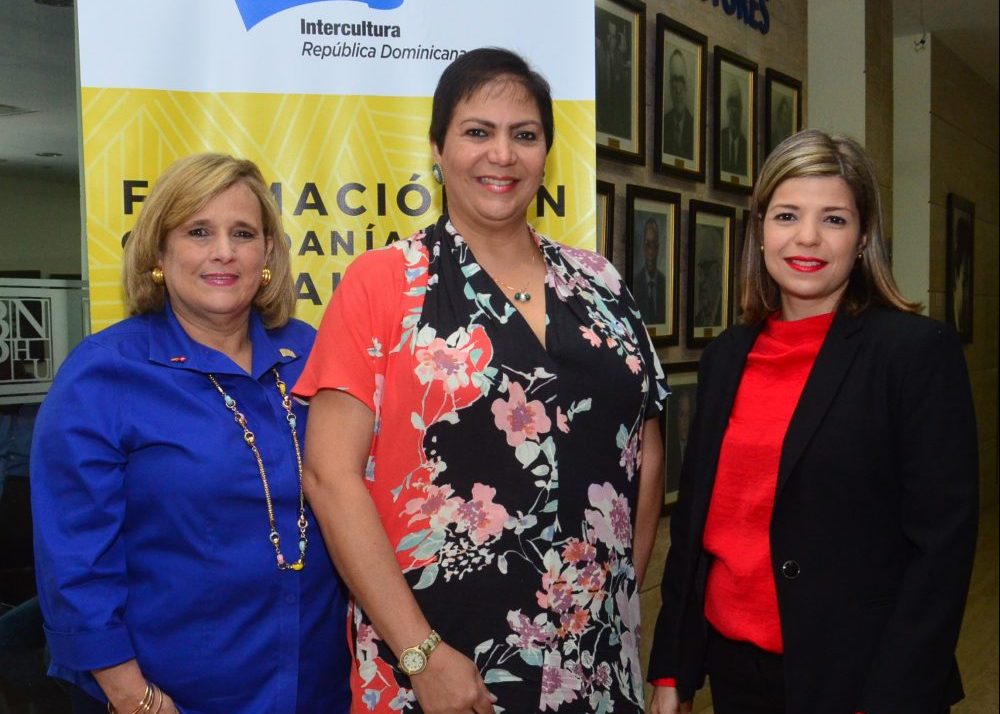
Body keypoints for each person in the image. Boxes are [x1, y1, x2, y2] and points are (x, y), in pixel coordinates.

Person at [296, 48, 668, 713]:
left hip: (595, 663)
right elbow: (329, 476)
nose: (502, 154)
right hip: (442, 672)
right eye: (477, 132)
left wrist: (613, 603)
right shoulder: (383, 283)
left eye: (523, 135)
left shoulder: (603, 284)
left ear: (546, 151)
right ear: (437, 147)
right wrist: (419, 653)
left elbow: (642, 446)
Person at [648, 129, 978, 714]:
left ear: (863, 237)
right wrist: (672, 668)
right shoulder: (727, 356)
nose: (807, 238)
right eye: (787, 215)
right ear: (760, 230)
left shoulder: (913, 353)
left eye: (833, 219)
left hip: (862, 679)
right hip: (736, 671)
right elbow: (698, 525)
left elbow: (942, 551)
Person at [30, 154, 351, 713]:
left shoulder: (312, 354)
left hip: (318, 685)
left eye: (243, 233)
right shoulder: (103, 373)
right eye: (199, 232)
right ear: (160, 251)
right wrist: (135, 699)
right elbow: (74, 566)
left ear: (268, 254)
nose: (223, 251)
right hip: (171, 696)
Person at [633, 217, 668, 325]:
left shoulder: (665, 283)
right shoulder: (635, 283)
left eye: (654, 245)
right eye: (648, 245)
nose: (651, 252)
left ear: (658, 248)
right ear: (643, 247)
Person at [663, 49, 694, 160]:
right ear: (669, 85)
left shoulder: (694, 128)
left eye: (681, 80)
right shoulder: (663, 124)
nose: (678, 90)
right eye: (674, 80)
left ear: (687, 85)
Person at [719, 81, 747, 175]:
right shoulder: (720, 138)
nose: (734, 110)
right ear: (727, 107)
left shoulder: (745, 145)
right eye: (731, 104)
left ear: (741, 109)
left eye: (737, 105)